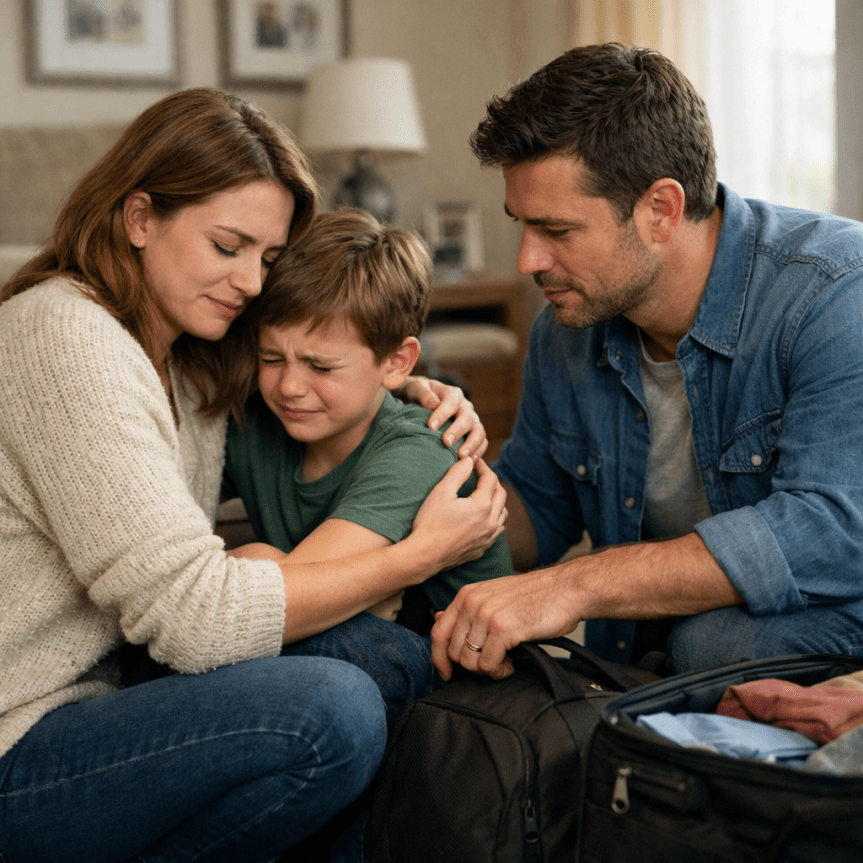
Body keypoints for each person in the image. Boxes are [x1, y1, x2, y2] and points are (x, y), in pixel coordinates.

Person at [0, 87, 505, 863]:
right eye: (227, 245)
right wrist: (418, 556)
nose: (250, 281)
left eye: (267, 258)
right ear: (139, 220)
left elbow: (306, 379)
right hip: (18, 736)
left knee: (372, 658)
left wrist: (399, 387)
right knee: (328, 710)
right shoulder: (64, 333)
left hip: (99, 695)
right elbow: (197, 621)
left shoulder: (191, 357)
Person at [431, 42, 863, 684]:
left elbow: (831, 533)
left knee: (708, 647)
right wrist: (407, 463)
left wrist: (577, 586)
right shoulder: (567, 330)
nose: (527, 261)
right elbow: (540, 511)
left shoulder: (834, 291)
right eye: (521, 225)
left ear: (660, 209)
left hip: (829, 602)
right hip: (656, 630)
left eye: (557, 230)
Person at [222, 208, 514, 649]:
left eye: (321, 366)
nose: (289, 386)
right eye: (271, 358)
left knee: (269, 579)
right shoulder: (255, 423)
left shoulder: (421, 452)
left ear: (396, 362)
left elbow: (273, 606)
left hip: (448, 673)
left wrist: (250, 565)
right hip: (321, 639)